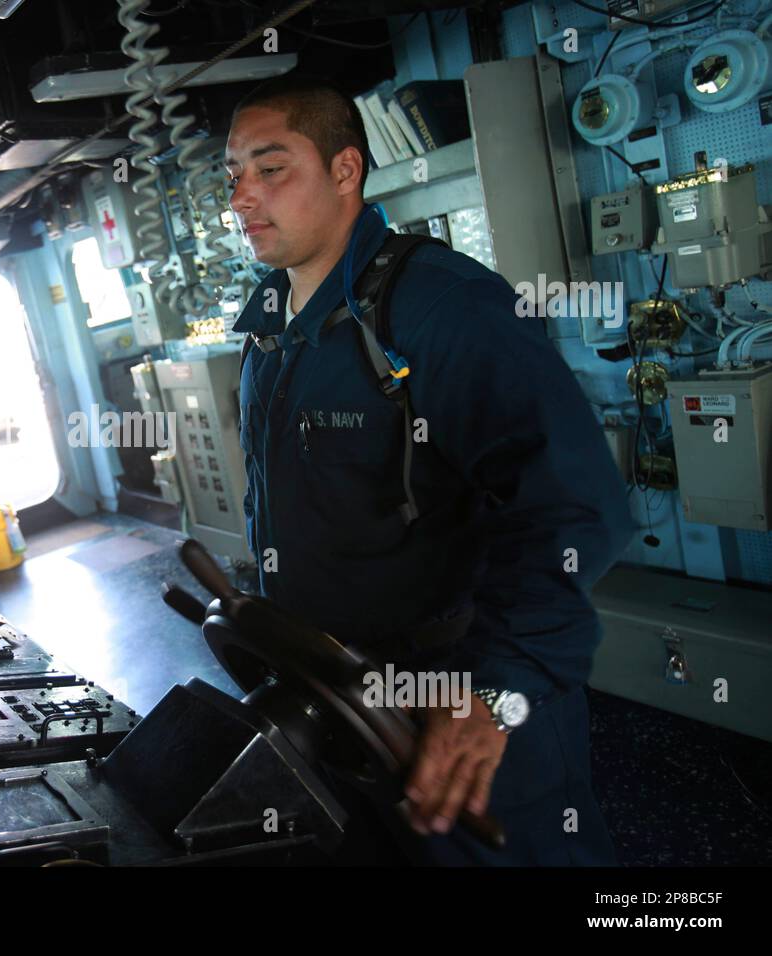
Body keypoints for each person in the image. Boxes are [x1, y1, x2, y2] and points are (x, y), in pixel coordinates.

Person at [225, 73, 636, 865]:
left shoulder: (441, 307)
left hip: (460, 697)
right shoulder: (270, 331)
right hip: (342, 700)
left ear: (345, 171)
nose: (242, 195)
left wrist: (493, 691)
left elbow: (577, 508)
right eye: (234, 173)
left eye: (270, 168)